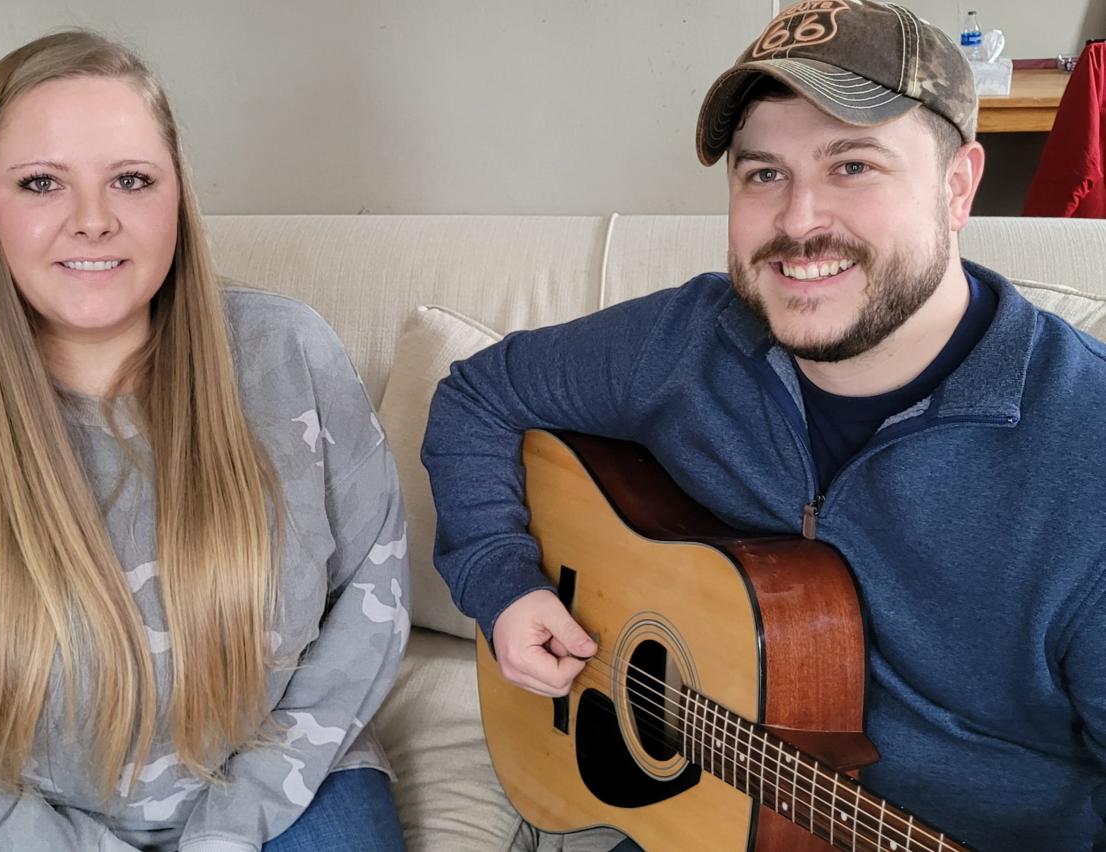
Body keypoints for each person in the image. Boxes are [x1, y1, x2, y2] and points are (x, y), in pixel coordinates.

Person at [422, 2, 1106, 850]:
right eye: (762, 174)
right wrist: (506, 585)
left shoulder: (1087, 459)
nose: (798, 221)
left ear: (957, 186)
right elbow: (478, 397)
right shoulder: (687, 342)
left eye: (852, 165)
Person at [0, 31, 409, 852]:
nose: (93, 221)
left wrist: (226, 834)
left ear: (177, 196)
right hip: (15, 821)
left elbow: (371, 605)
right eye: (42, 182)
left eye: (131, 179)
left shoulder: (290, 353)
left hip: (286, 792)